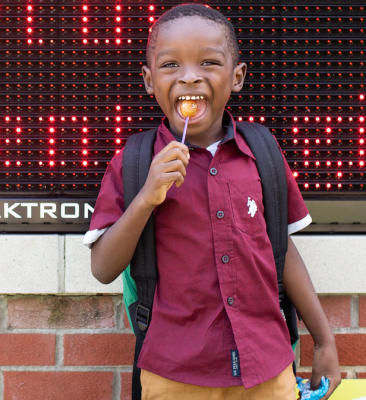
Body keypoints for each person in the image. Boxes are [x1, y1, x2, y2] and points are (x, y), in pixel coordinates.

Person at [84, 4, 341, 399]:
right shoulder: (134, 163)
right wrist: (147, 199)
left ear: (236, 77)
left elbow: (280, 250)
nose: (190, 76)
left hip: (268, 370)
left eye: (208, 62)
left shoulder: (263, 153)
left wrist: (323, 341)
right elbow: (102, 268)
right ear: (149, 81)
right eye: (171, 65)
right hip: (175, 373)